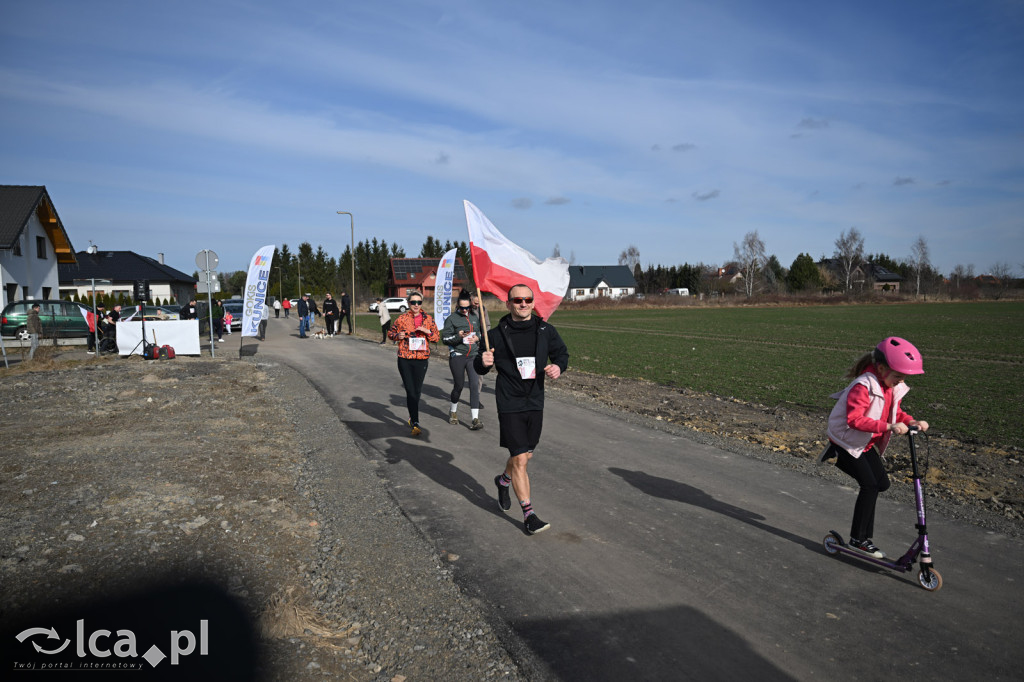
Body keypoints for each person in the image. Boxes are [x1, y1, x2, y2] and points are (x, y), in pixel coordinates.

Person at [821, 337, 930, 559]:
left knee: (882, 484)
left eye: (903, 377)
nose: (901, 381)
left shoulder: (889, 386)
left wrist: (911, 422)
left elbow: (894, 412)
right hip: (846, 442)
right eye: (898, 376)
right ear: (881, 368)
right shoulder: (864, 386)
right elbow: (855, 420)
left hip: (864, 442)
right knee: (869, 486)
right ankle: (858, 539)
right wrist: (888, 427)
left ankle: (861, 537)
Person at [475, 284, 569, 535]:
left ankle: (502, 481)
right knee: (518, 458)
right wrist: (482, 362)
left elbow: (561, 354)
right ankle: (529, 515)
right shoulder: (494, 334)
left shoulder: (546, 330)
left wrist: (558, 367)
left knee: (526, 456)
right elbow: (479, 365)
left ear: (533, 302)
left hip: (535, 400)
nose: (523, 304)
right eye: (517, 300)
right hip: (508, 401)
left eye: (528, 299)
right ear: (508, 304)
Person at [387, 293, 439, 436]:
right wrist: (398, 336)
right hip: (405, 358)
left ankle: (412, 417)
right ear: (408, 303)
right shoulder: (402, 318)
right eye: (413, 302)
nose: (416, 305)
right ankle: (415, 422)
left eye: (419, 302)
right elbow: (390, 333)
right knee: (410, 390)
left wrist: (426, 331)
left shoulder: (428, 319)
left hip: (421, 359)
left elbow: (436, 338)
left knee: (417, 391)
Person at [441, 290, 484, 430]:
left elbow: (479, 333)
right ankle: (453, 411)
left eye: (467, 308)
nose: (465, 310)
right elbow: (445, 339)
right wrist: (458, 336)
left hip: (473, 355)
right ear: (458, 306)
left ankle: (475, 419)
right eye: (462, 308)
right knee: (459, 385)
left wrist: (477, 337)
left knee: (474, 385)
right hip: (458, 356)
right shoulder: (452, 319)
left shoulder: (474, 317)